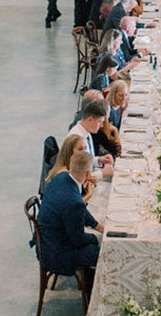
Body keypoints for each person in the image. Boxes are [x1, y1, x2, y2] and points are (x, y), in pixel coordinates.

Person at [36, 151, 103, 279]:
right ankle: (91, 287)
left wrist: (97, 225)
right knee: (101, 252)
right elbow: (77, 240)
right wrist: (95, 238)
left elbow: (81, 208)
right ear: (88, 174)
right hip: (56, 253)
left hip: (45, 241)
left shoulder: (61, 177)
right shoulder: (74, 203)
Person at [67, 98, 115, 178]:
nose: (102, 125)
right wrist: (102, 173)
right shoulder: (78, 139)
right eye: (100, 122)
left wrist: (100, 160)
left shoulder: (86, 133)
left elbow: (86, 161)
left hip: (90, 173)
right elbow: (81, 175)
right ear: (90, 119)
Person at [45, 134, 98, 203]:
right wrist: (89, 195)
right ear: (69, 152)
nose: (84, 152)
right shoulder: (64, 175)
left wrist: (84, 184)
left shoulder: (71, 170)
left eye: (85, 148)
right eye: (80, 149)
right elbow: (73, 206)